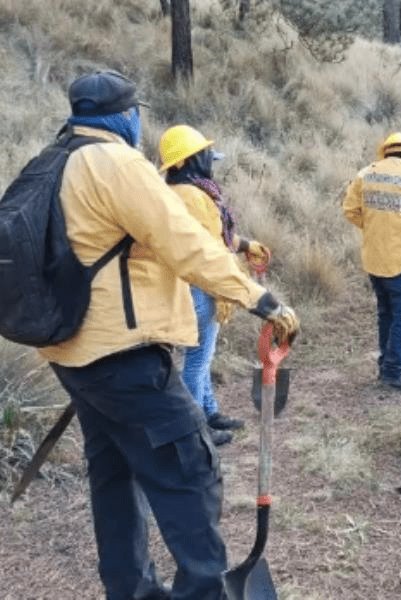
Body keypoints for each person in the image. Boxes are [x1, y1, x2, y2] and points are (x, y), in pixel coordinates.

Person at [39, 70, 299, 600]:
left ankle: (130, 592)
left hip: (73, 354)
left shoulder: (54, 162)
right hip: (124, 358)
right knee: (190, 471)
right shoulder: (116, 163)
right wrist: (259, 298)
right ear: (127, 116)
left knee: (113, 478)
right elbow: (185, 242)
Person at [159, 124, 271, 447]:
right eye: (206, 155)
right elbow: (212, 250)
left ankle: (209, 411)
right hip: (200, 287)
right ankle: (196, 431)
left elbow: (214, 238)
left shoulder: (181, 192)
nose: (211, 160)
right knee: (197, 362)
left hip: (187, 284)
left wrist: (246, 244)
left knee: (202, 358)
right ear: (189, 160)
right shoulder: (195, 196)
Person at [342, 132, 401, 390]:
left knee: (386, 313)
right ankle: (395, 372)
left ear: (385, 151)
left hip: (374, 258)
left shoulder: (366, 174)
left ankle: (386, 364)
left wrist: (374, 227)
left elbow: (350, 210)